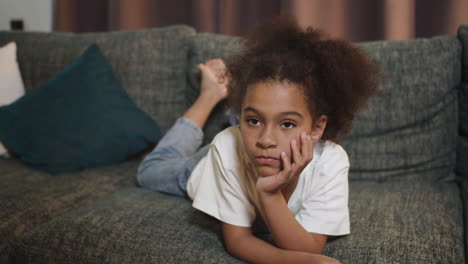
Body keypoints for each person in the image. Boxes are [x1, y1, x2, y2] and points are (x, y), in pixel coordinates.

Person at [137, 16, 380, 264]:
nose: (266, 140)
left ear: (317, 128)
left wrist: (269, 194)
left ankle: (241, 111)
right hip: (215, 162)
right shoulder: (226, 149)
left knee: (257, 124)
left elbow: (311, 247)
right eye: (253, 120)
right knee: (150, 170)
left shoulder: (330, 162)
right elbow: (238, 240)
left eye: (287, 123)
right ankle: (211, 95)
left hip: (244, 146)